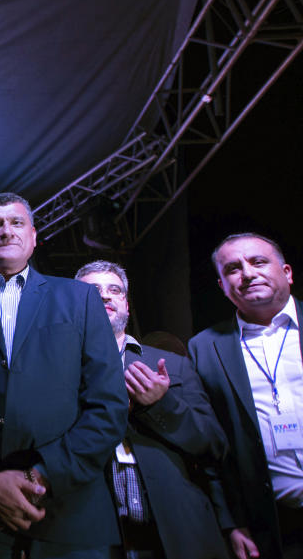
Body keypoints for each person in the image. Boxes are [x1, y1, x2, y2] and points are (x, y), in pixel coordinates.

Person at [0, 192, 127, 559]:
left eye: (16, 223)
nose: (6, 231)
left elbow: (108, 405)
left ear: (34, 236)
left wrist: (40, 476)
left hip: (70, 510)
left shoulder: (80, 298)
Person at [75, 260, 229, 559]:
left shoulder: (172, 365)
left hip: (177, 532)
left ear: (127, 307)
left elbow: (213, 443)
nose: (105, 296)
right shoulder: (53, 368)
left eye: (114, 290)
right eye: (92, 290)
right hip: (92, 535)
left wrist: (161, 404)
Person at [189, 233, 303, 559]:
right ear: (223, 286)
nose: (248, 273)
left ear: (288, 272)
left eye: (258, 262)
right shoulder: (206, 348)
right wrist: (231, 522)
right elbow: (212, 447)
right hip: (270, 524)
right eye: (233, 269)